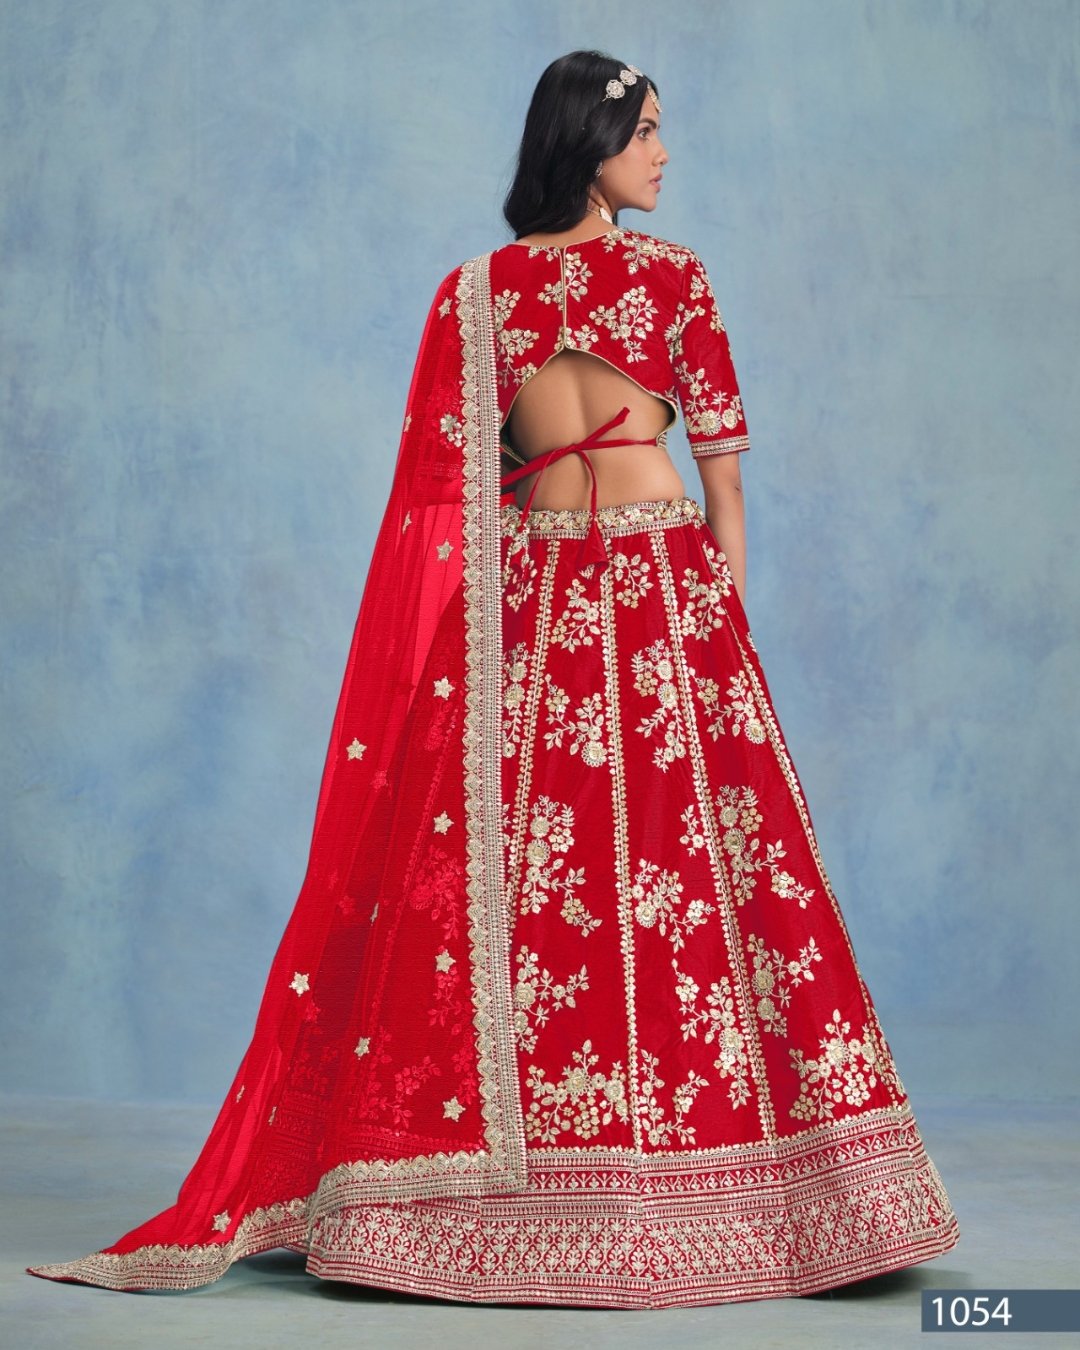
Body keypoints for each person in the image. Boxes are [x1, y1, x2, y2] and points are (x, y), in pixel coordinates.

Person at [27, 49, 959, 1308]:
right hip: (662, 595)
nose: (664, 154)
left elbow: (439, 508)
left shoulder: (472, 297)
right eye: (646, 131)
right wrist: (722, 621)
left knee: (517, 893)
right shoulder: (672, 280)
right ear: (591, 142)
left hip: (528, 606)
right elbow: (725, 481)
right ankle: (730, 1188)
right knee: (689, 881)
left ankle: (471, 1198)